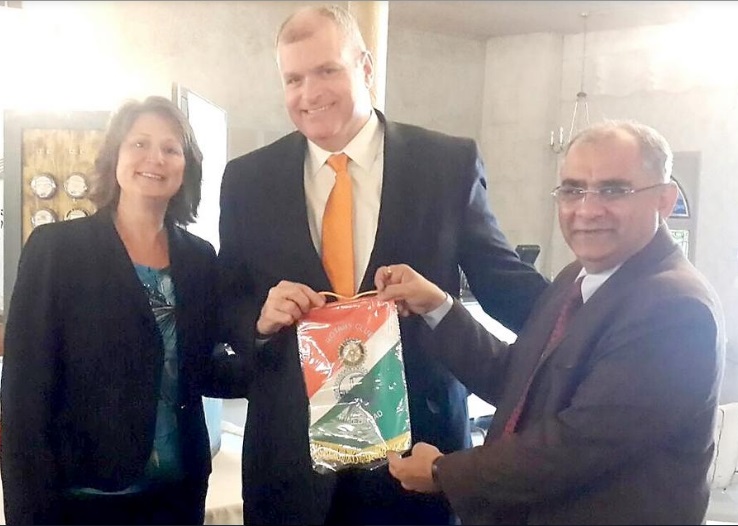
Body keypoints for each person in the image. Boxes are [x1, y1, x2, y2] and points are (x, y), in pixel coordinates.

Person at [217, 4, 549, 525]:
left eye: (327, 70)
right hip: (290, 465)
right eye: (294, 79)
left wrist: (594, 319)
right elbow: (227, 300)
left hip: (416, 459)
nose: (309, 93)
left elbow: (505, 282)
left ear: (365, 68)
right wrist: (259, 319)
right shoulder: (247, 180)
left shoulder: (446, 165)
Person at [378, 120, 725, 525]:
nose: (587, 210)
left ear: (664, 201)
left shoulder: (675, 309)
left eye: (614, 190)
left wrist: (444, 472)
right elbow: (517, 381)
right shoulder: (577, 277)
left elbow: (576, 445)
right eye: (573, 189)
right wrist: (437, 307)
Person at [0, 96, 248, 525]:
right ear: (114, 154)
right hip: (85, 497)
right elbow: (25, 394)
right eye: (139, 144)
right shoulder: (57, 250)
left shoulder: (199, 258)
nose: (155, 158)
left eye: (171, 149)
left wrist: (281, 348)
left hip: (177, 495)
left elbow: (201, 369)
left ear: (186, 166)